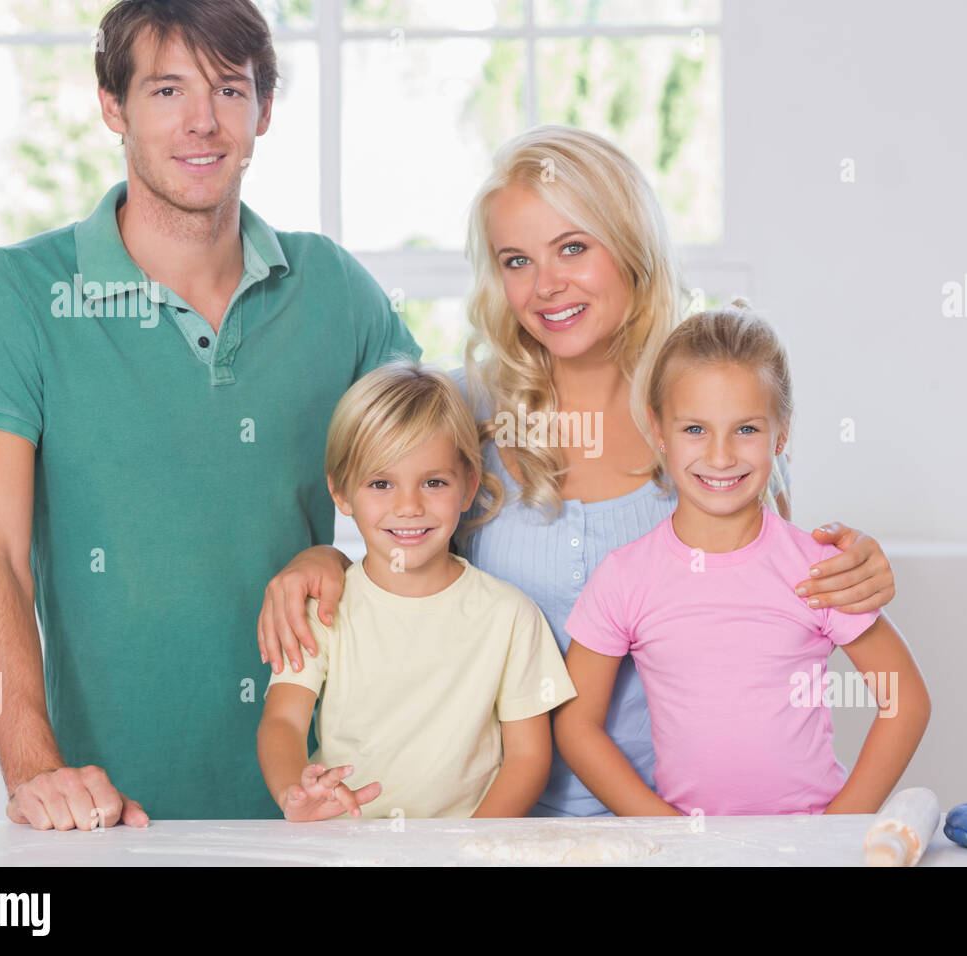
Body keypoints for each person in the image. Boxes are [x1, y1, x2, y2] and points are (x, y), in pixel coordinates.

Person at [257, 125, 899, 817]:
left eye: (572, 248)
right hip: (491, 818)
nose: (545, 286)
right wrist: (323, 556)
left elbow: (771, 595)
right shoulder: (461, 412)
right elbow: (394, 530)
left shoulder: (708, 417)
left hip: (672, 820)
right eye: (516, 260)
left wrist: (858, 569)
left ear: (629, 245)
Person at [0, 0, 419, 827]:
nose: (203, 122)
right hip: (112, 817)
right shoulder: (12, 295)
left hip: (333, 803)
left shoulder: (333, 286)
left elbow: (435, 480)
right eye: (166, 91)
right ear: (112, 105)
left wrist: (348, 561)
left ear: (264, 110)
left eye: (230, 90)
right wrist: (36, 773)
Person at [554, 303, 930, 815]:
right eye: (695, 430)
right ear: (658, 429)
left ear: (783, 431)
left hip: (806, 849)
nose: (721, 455)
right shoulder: (625, 577)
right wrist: (668, 834)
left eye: (747, 429)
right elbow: (576, 725)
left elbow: (905, 700)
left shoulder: (817, 568)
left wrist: (837, 832)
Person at [258, 361, 575, 820]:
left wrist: (466, 849)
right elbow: (282, 721)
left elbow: (527, 759)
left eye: (434, 482)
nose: (409, 506)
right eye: (381, 483)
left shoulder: (509, 615)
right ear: (342, 493)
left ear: (468, 488)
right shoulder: (323, 607)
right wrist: (295, 791)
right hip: (345, 846)